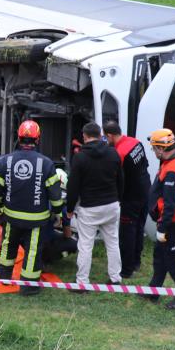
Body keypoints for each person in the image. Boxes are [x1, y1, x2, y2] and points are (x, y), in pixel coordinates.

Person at [0, 120, 64, 296]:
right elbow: (55, 193)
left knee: (8, 244)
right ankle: (28, 286)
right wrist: (58, 213)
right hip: (36, 219)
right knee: (32, 251)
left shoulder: (5, 161)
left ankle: (4, 276)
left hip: (11, 216)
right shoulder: (46, 163)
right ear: (37, 140)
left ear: (19, 138)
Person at [64, 122, 124, 291]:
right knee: (112, 242)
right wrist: (119, 199)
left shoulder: (80, 157)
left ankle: (82, 282)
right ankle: (115, 278)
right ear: (100, 135)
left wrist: (69, 210)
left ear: (84, 136)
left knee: (85, 245)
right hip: (112, 205)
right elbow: (121, 180)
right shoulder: (113, 153)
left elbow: (73, 187)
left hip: (90, 208)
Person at [145, 128, 175, 310]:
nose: (153, 152)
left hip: (172, 224)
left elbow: (170, 204)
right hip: (167, 222)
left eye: (154, 148)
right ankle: (154, 291)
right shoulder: (170, 161)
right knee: (160, 257)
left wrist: (163, 229)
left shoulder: (172, 169)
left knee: (174, 260)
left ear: (161, 149)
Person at [104, 120, 151, 278]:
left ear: (110, 135)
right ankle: (136, 261)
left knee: (127, 233)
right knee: (139, 227)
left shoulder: (119, 153)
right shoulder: (136, 142)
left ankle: (126, 269)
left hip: (131, 196)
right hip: (145, 189)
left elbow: (117, 178)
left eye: (106, 137)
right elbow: (146, 163)